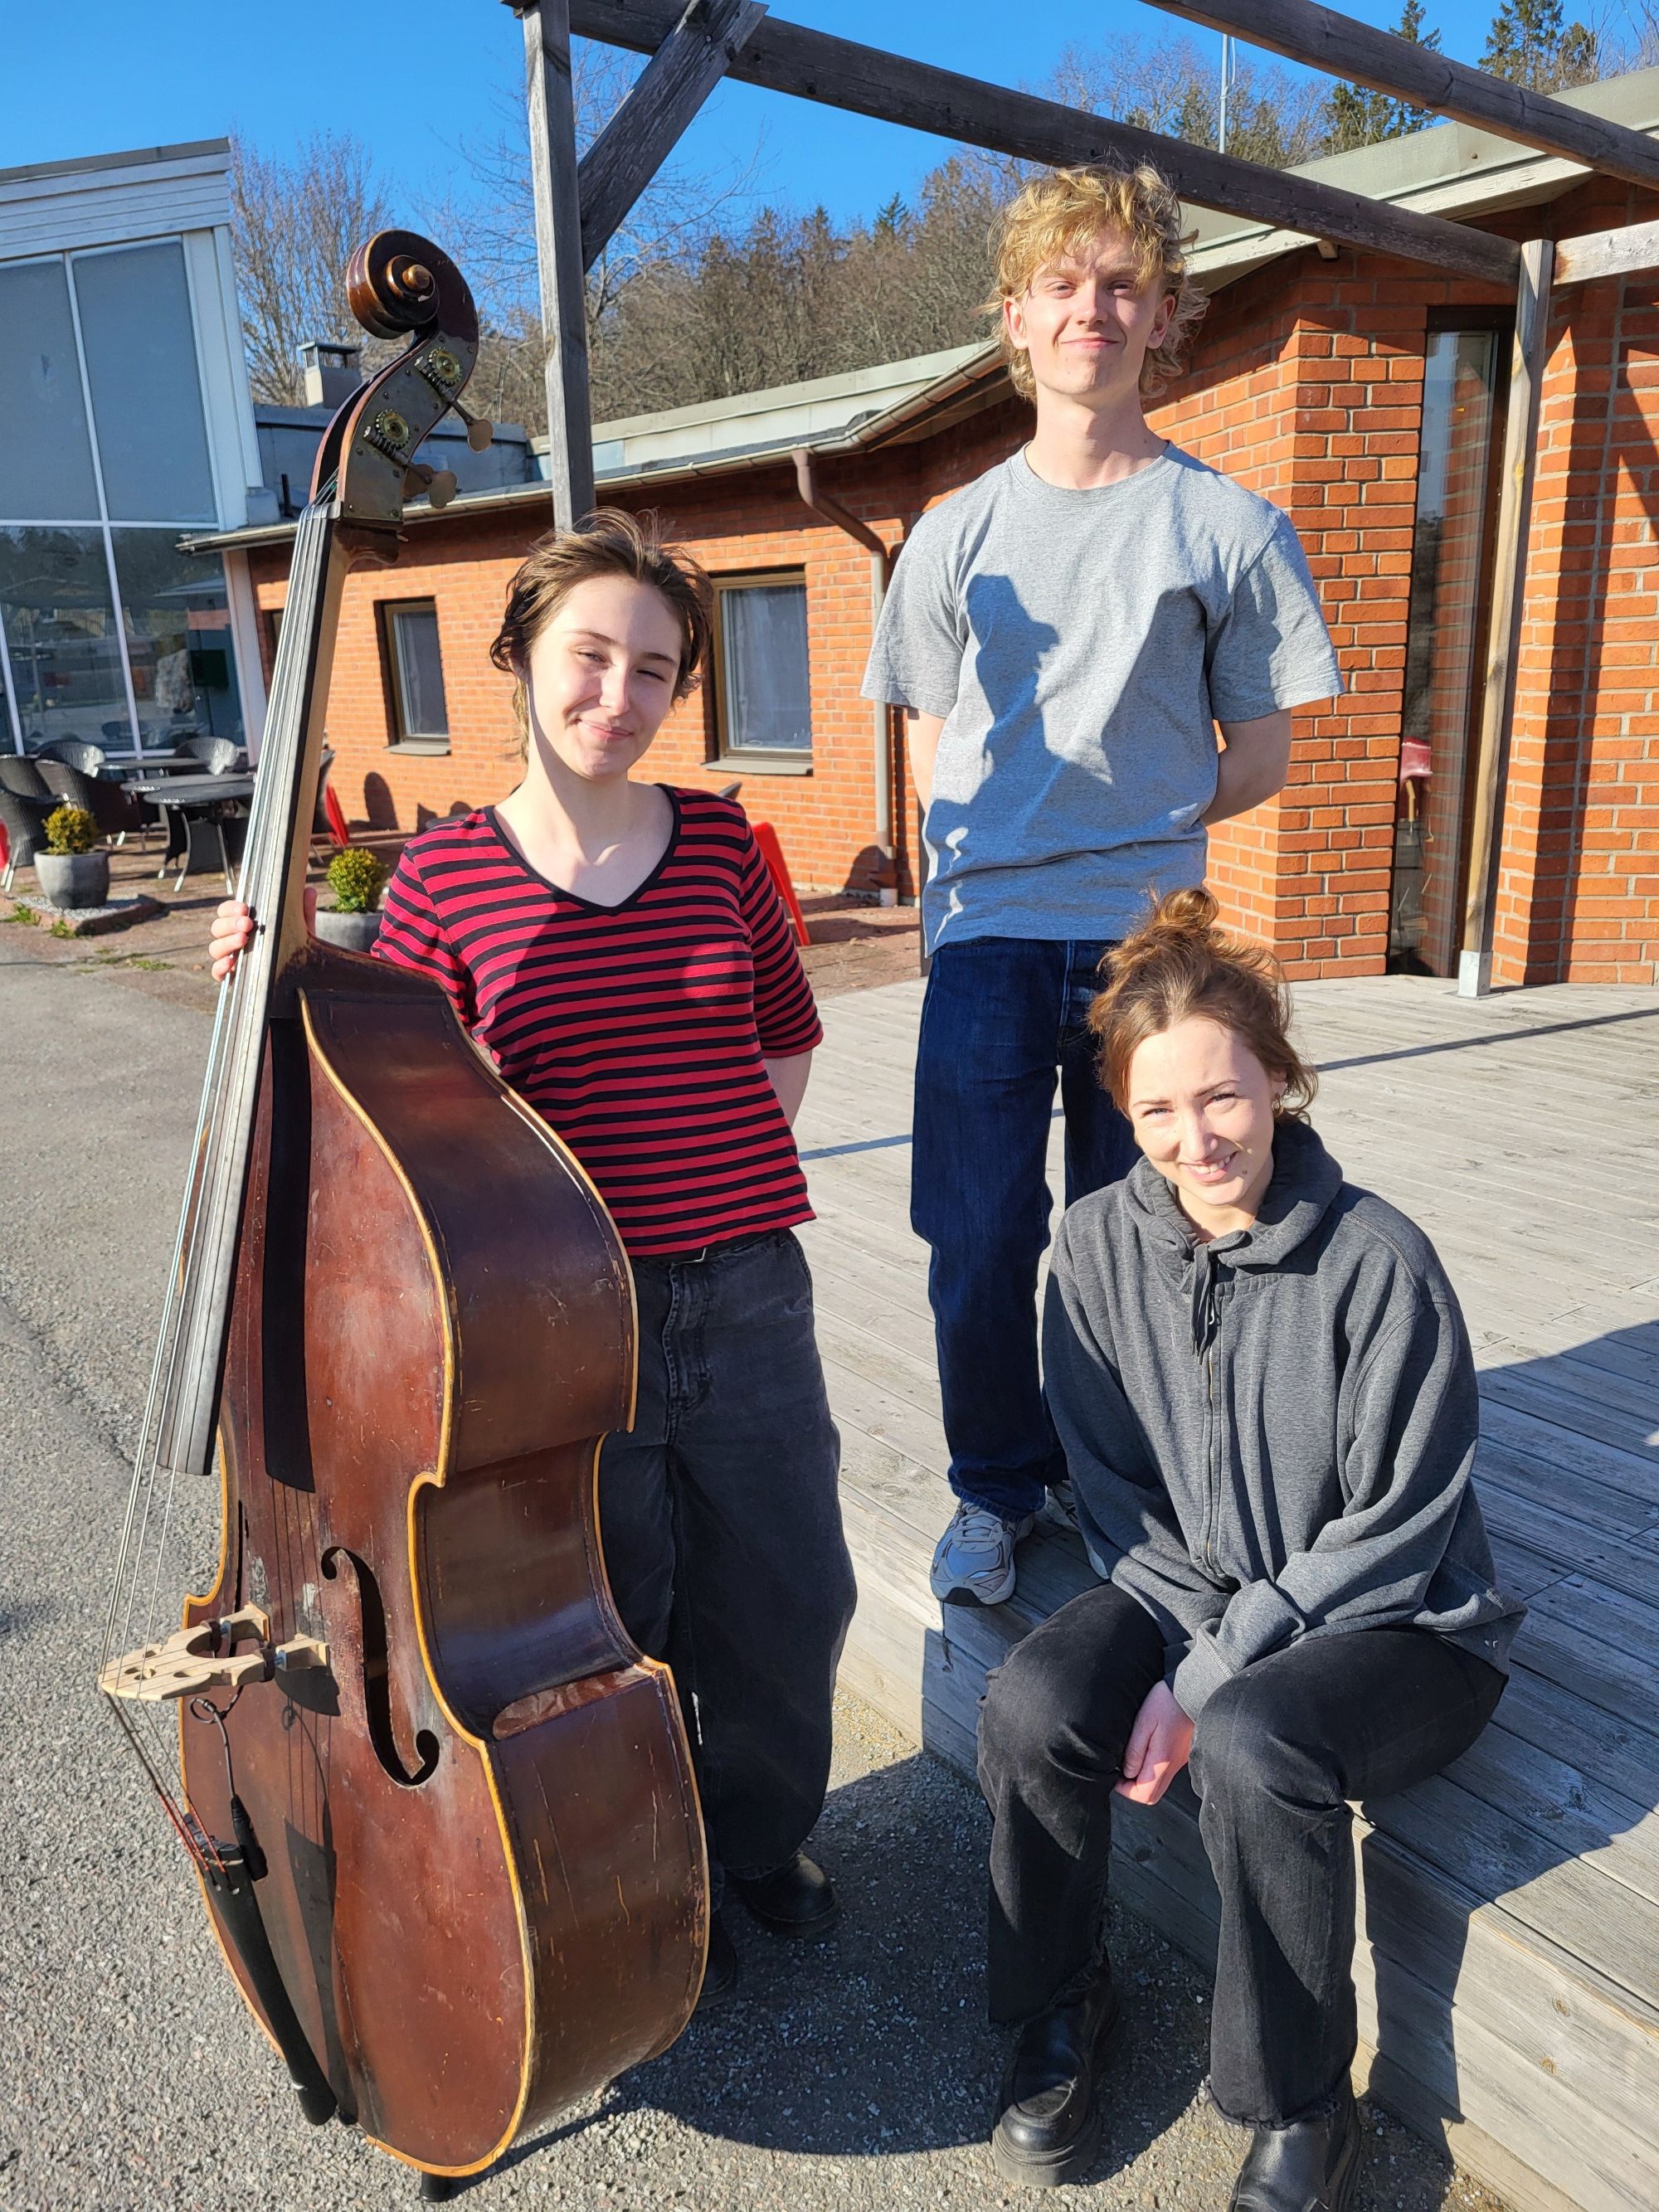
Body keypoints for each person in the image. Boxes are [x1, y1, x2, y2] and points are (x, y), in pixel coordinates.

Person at [209, 511, 857, 2005]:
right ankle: (655, 1875)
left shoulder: (720, 845)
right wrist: (260, 989)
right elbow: (381, 1114)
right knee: (610, 1615)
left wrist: (708, 1174)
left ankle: (757, 1841)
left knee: (788, 1596)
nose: (619, 696)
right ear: (516, 658)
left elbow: (785, 1039)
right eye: (590, 656)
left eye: (655, 669)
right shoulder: (444, 880)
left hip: (747, 1290)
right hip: (560, 1324)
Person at [975, 887, 1524, 2208]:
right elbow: (1113, 1493)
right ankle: (1061, 2001)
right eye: (1157, 1110)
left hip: (1401, 1622)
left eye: (1222, 1096)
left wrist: (1213, 1670)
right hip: (1188, 1583)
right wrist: (1190, 1637)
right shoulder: (1093, 1251)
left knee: (1252, 1741)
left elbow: (1398, 1527)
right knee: (1032, 1702)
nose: (1197, 1138)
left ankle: (1298, 2105)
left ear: (1277, 1077)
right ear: (1122, 1112)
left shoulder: (1379, 1263)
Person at [863, 161, 1343, 1607]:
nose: (1094, 308)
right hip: (988, 937)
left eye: (1123, 284)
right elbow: (934, 745)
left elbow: (1259, 755)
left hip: (1150, 942)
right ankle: (995, 1488)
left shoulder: (1229, 528)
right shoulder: (953, 532)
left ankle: (1123, 1482)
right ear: (1014, 317)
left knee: (1146, 1230)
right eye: (1062, 284)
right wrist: (1010, 846)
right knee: (977, 1237)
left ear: (1164, 315)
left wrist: (1130, 826)